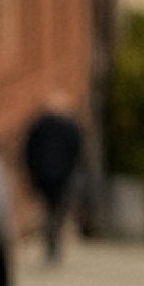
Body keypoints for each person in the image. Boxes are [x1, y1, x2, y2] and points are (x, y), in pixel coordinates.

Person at [20, 92, 83, 264]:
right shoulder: (68, 127)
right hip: (59, 176)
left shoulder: (40, 126)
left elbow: (28, 150)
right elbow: (77, 152)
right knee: (55, 211)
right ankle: (53, 244)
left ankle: (51, 243)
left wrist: (31, 171)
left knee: (48, 211)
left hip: (45, 175)